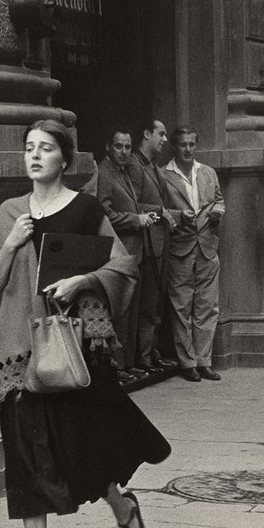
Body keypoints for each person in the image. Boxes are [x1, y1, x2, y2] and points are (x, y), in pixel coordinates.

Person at [0, 120, 170, 528]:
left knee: (82, 446)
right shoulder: (8, 213)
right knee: (26, 459)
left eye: (45, 148)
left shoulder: (85, 209)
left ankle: (122, 507)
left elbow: (123, 265)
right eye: (29, 147)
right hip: (20, 348)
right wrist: (11, 244)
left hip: (75, 345)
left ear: (64, 160)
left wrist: (82, 281)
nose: (34, 155)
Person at [90, 125, 169, 380]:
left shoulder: (123, 172)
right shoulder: (105, 173)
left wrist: (147, 215)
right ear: (108, 147)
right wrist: (136, 220)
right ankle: (117, 367)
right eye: (118, 146)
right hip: (119, 251)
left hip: (136, 250)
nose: (124, 152)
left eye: (127, 147)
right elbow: (104, 213)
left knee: (134, 310)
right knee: (122, 312)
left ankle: (128, 363)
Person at [158, 125, 225, 382]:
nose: (187, 149)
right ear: (174, 147)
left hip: (207, 246)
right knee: (181, 307)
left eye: (191, 144)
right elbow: (159, 209)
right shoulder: (163, 175)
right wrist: (178, 216)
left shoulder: (207, 172)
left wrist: (218, 211)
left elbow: (219, 200)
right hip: (180, 248)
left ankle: (204, 361)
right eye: (183, 145)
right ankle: (187, 363)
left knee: (207, 306)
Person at [134, 119, 178, 371]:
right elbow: (133, 204)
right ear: (146, 133)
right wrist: (162, 212)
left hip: (160, 241)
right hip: (147, 243)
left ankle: (152, 351)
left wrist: (180, 215)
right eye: (160, 134)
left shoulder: (152, 165)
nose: (164, 140)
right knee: (149, 302)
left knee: (157, 301)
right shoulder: (135, 164)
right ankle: (144, 356)